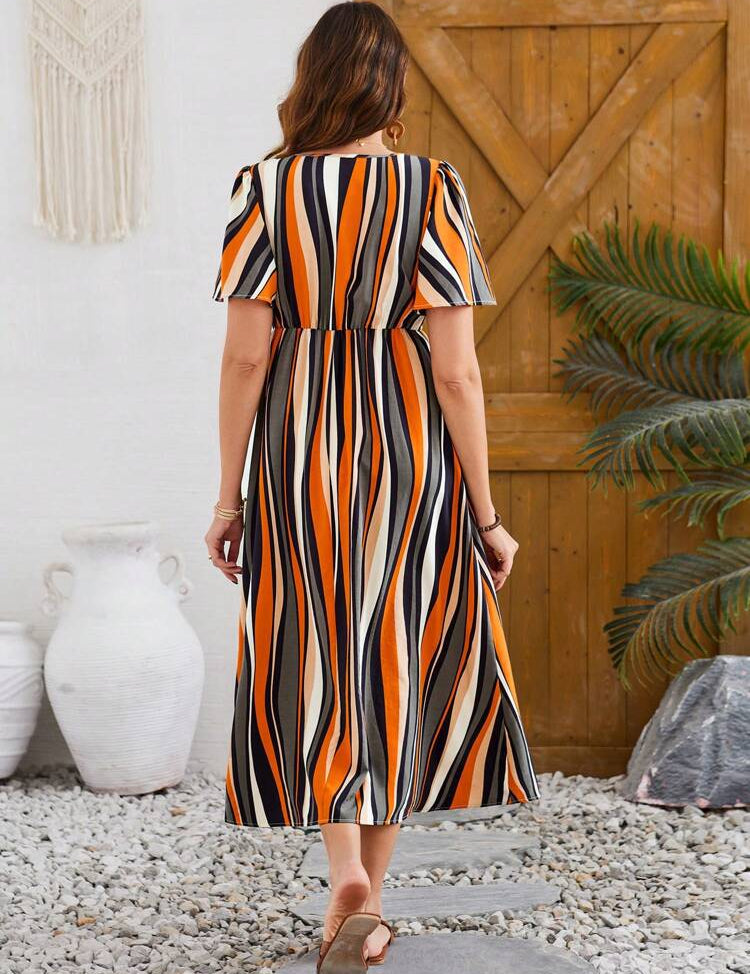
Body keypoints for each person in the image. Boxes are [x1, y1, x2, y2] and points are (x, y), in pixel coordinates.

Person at [205, 2, 540, 970]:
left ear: (312, 78)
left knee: (318, 647)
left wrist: (228, 498)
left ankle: (343, 871)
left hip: (297, 456)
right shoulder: (432, 186)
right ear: (391, 87)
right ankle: (371, 897)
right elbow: (457, 372)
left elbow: (244, 358)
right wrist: (487, 514)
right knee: (393, 654)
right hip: (410, 455)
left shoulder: (264, 187)